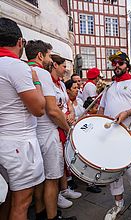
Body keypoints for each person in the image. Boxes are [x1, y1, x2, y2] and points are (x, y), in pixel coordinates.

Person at [0, 17, 45, 220]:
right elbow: (39, 108)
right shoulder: (15, 66)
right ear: (20, 42)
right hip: (18, 142)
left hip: (4, 140)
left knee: (6, 198)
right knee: (22, 202)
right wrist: (35, 79)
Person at [98, 51, 131, 220]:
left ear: (127, 65)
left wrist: (128, 112)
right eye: (114, 63)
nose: (116, 66)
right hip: (110, 137)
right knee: (112, 172)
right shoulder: (109, 87)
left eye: (120, 63)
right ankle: (118, 204)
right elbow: (101, 108)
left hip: (130, 135)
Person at [25, 40, 75, 220]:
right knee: (52, 180)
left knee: (39, 180)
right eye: (48, 55)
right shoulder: (42, 74)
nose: (49, 60)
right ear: (40, 55)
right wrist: (68, 128)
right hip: (48, 133)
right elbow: (53, 110)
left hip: (32, 133)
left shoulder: (24, 70)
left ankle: (40, 214)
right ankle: (53, 217)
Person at [50, 55, 81, 209]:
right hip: (55, 127)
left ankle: (64, 189)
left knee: (62, 161)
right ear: (55, 65)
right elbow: (53, 108)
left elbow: (69, 103)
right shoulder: (48, 82)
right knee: (56, 163)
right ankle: (57, 195)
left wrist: (71, 113)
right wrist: (65, 119)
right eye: (63, 66)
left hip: (64, 124)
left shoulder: (61, 84)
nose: (66, 69)